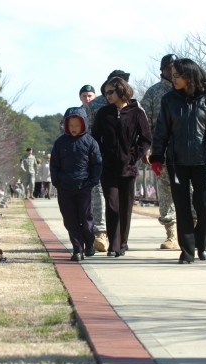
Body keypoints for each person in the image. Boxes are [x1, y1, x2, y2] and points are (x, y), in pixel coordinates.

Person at [150, 58, 206, 264]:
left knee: (205, 206)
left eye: (177, 75)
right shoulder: (169, 100)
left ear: (189, 75)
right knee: (182, 207)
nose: (174, 79)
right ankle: (187, 251)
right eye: (173, 75)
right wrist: (157, 156)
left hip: (203, 161)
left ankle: (201, 241)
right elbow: (161, 131)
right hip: (177, 163)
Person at [92, 76, 152, 257]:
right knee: (112, 205)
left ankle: (122, 244)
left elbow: (146, 138)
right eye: (105, 93)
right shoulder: (103, 113)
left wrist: (134, 156)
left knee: (125, 207)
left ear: (121, 90)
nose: (107, 96)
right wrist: (102, 156)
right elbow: (95, 138)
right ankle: (113, 245)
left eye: (111, 92)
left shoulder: (137, 112)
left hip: (129, 168)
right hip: (108, 168)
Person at [50, 107, 102, 262]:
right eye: (71, 125)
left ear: (83, 124)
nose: (73, 129)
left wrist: (93, 180)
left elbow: (97, 163)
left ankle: (89, 243)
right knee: (70, 219)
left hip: (84, 186)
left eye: (76, 125)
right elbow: (54, 164)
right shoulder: (60, 143)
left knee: (85, 218)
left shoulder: (90, 142)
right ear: (66, 125)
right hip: (65, 187)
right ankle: (77, 249)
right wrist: (56, 180)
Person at [141, 54, 180, 250]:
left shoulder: (187, 89)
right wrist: (146, 147)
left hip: (184, 151)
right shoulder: (154, 93)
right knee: (165, 193)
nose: (173, 71)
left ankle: (189, 233)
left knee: (189, 193)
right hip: (161, 150)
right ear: (162, 69)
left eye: (176, 67)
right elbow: (144, 122)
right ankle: (171, 234)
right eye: (169, 67)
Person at [78, 84, 108, 253]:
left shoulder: (103, 110)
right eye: (84, 96)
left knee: (102, 194)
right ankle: (92, 233)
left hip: (102, 158)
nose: (87, 99)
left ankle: (102, 232)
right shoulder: (77, 114)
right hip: (85, 162)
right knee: (91, 197)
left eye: (90, 95)